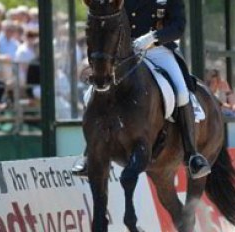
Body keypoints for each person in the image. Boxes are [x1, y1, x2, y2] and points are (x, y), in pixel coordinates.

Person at [72, 0, 211, 179]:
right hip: (125, 52)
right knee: (91, 93)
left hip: (158, 50)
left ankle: (192, 155)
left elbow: (178, 26)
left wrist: (153, 37)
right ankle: (89, 156)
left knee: (182, 92)